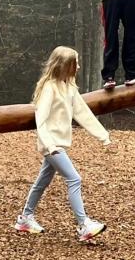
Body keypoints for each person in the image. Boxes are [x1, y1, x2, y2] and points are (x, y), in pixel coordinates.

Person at [14, 46, 115, 241]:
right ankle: (83, 224)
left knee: (42, 181)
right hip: (51, 145)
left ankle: (25, 218)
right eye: (74, 63)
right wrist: (49, 145)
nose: (78, 66)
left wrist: (104, 137)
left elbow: (83, 114)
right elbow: (40, 119)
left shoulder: (69, 88)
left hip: (58, 144)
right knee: (74, 179)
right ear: (64, 65)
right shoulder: (49, 87)